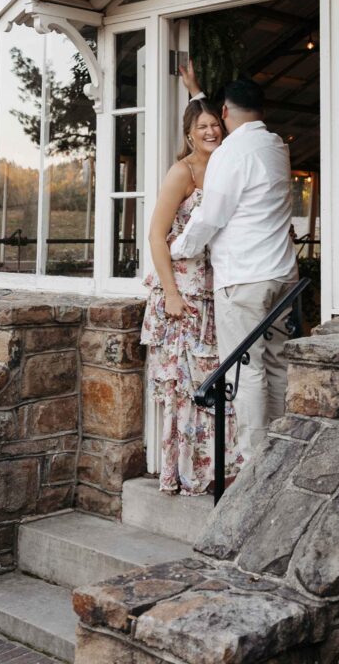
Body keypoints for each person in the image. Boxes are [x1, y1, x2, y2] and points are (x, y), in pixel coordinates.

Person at [170, 77, 298, 462]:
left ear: (224, 113)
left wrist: (177, 248)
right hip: (283, 276)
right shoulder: (277, 146)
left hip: (244, 279)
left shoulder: (231, 153)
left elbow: (211, 217)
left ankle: (256, 462)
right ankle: (281, 449)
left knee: (246, 370)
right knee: (275, 362)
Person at [141, 80, 242, 495]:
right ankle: (187, 472)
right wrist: (170, 294)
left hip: (217, 288)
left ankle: (222, 464)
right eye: (201, 126)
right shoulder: (181, 172)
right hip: (182, 294)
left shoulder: (225, 165)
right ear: (188, 135)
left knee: (219, 378)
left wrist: (197, 91)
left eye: (215, 124)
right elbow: (155, 236)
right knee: (187, 386)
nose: (211, 131)